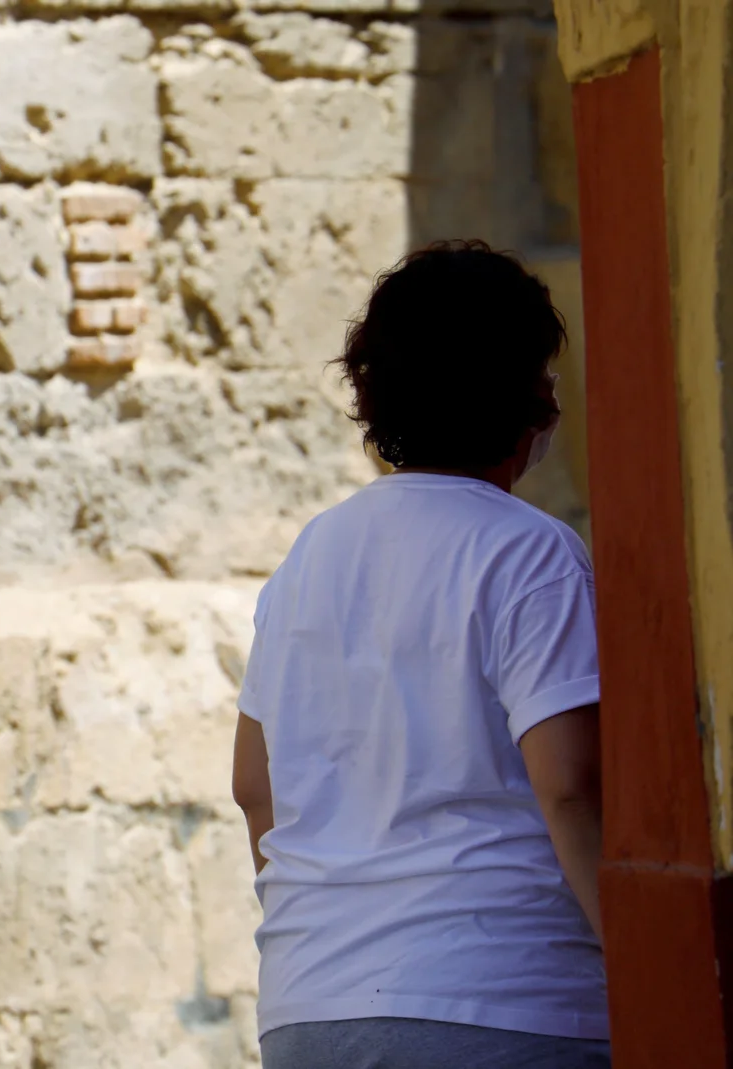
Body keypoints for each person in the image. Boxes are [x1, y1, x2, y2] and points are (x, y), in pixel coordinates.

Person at [232, 241, 609, 1068]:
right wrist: (639, 963)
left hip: (310, 1012)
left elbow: (254, 787)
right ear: (523, 398)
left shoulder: (309, 558)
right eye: (544, 373)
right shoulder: (533, 555)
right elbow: (573, 787)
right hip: (507, 1006)